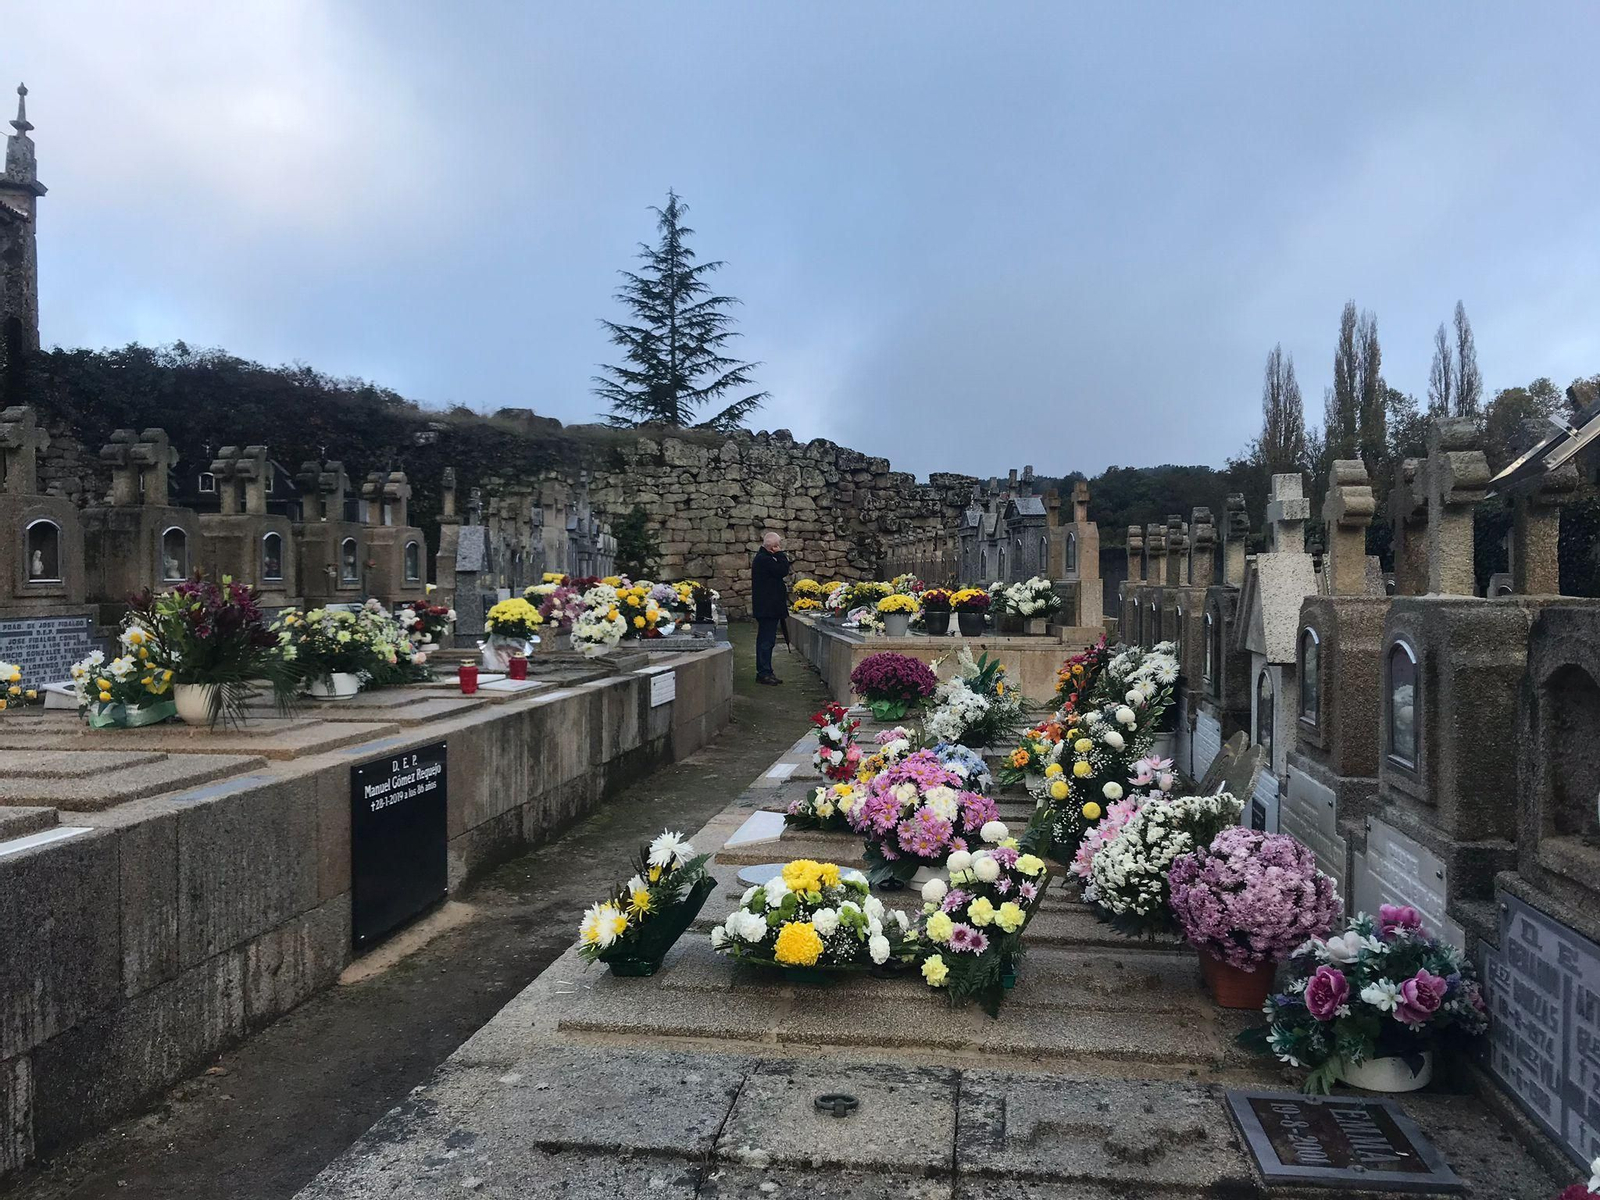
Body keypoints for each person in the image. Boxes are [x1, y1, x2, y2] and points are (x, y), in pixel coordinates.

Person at [750, 530, 791, 686]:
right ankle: (764, 673)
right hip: (768, 608)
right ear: (773, 547)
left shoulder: (764, 558)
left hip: (769, 607)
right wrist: (780, 554)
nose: (780, 548)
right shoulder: (764, 559)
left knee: (767, 640)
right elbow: (782, 570)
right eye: (778, 545)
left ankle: (766, 671)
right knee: (766, 641)